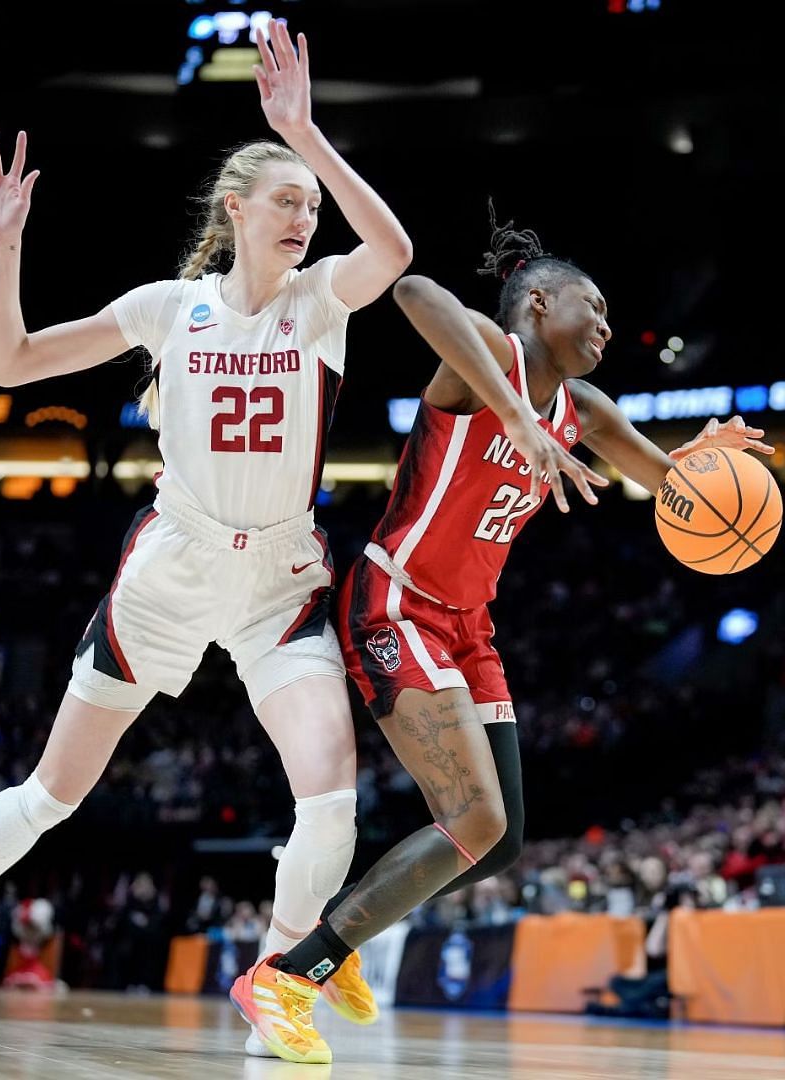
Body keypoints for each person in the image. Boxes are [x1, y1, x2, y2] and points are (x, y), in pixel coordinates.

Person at [0, 20, 414, 1047]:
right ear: (235, 208)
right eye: (288, 200)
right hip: (170, 571)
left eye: (312, 202)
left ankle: (279, 971)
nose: (306, 217)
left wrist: (306, 136)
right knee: (52, 795)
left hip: (279, 579)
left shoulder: (320, 304)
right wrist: (4, 249)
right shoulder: (170, 310)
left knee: (332, 802)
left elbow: (392, 250)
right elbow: (9, 362)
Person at [235, 212, 773, 1064]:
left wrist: (697, 464)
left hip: (468, 628)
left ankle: (334, 935)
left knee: (502, 835)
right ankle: (288, 976)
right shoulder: (489, 355)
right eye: (589, 306)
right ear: (538, 301)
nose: (604, 323)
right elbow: (412, 289)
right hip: (396, 603)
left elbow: (667, 483)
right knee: (473, 816)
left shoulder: (584, 407)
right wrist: (514, 413)